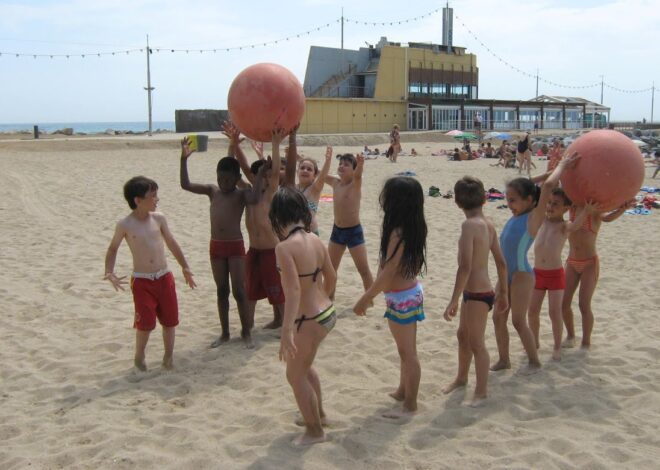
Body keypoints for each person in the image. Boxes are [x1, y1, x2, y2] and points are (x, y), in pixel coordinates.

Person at [104, 176, 196, 371]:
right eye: (152, 196)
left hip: (164, 277)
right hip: (142, 281)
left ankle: (168, 357)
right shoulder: (125, 225)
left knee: (170, 321)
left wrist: (185, 267)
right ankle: (139, 357)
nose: (157, 199)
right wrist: (109, 271)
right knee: (144, 324)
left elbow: (171, 242)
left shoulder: (159, 218)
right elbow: (113, 249)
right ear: (138, 200)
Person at [353, 176, 427, 418]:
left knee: (408, 353)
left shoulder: (398, 232)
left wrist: (366, 296)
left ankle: (410, 405)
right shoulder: (411, 226)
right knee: (405, 350)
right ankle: (403, 390)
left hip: (402, 297)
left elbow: (389, 270)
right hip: (407, 293)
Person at [270, 186, 336, 446]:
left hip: (308, 319)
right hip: (326, 312)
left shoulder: (284, 248)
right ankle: (318, 414)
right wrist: (322, 299)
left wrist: (287, 331)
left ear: (278, 216)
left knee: (294, 375)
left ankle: (314, 431)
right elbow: (332, 276)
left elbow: (293, 290)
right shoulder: (315, 239)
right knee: (305, 368)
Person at [180, 140, 257, 348]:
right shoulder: (212, 191)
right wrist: (183, 160)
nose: (223, 182)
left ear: (236, 179)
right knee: (222, 291)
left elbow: (256, 196)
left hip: (235, 246)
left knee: (239, 291)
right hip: (216, 247)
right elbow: (185, 185)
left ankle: (245, 331)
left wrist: (249, 173)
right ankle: (224, 333)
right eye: (220, 178)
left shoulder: (241, 194)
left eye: (228, 179)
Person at [442, 176, 508, 406]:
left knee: (477, 343)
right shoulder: (488, 223)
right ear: (484, 199)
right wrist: (504, 292)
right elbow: (501, 262)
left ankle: (481, 391)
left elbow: (465, 267)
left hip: (478, 293)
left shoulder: (470, 225)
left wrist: (453, 300)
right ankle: (461, 378)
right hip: (478, 292)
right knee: (463, 336)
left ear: (457, 202)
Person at [525, 153, 594, 361]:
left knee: (555, 313)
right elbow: (531, 186)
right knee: (532, 311)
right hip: (537, 273)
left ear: (567, 208)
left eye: (556, 204)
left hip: (555, 275)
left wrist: (587, 211)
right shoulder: (541, 220)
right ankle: (535, 341)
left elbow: (576, 225)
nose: (550, 206)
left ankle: (556, 346)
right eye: (549, 203)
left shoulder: (564, 226)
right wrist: (548, 173)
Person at [228, 124, 290, 330]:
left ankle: (284, 323)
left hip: (272, 250)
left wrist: (275, 144)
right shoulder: (247, 192)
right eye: (258, 176)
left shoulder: (271, 193)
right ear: (252, 178)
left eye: (265, 175)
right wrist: (234, 145)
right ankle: (249, 325)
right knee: (250, 289)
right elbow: (238, 170)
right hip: (253, 250)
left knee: (276, 291)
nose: (264, 178)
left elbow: (274, 171)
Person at [561, 197, 636, 348]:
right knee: (564, 303)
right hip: (572, 262)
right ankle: (570, 335)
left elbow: (607, 218)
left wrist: (622, 209)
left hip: (589, 263)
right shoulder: (573, 206)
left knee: (584, 304)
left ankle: (586, 341)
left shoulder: (594, 208)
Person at [491, 176, 543, 374]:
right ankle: (504, 360)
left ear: (529, 200)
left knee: (518, 321)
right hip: (505, 276)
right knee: (498, 318)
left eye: (513, 200)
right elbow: (530, 184)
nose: (508, 204)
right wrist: (538, 179)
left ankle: (534, 361)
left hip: (521, 275)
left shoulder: (533, 218)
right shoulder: (516, 215)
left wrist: (558, 170)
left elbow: (544, 189)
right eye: (507, 199)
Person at [325, 153, 373, 297]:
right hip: (337, 231)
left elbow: (358, 176)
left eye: (346, 164)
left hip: (354, 232)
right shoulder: (335, 183)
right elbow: (318, 174)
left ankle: (368, 300)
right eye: (340, 163)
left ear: (353, 169)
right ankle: (329, 298)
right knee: (331, 270)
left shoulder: (355, 184)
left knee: (363, 270)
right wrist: (297, 158)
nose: (341, 166)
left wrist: (360, 165)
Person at [297, 147, 332, 236]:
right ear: (297, 171)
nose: (305, 170)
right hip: (295, 232)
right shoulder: (293, 188)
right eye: (302, 168)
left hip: (310, 233)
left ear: (314, 175)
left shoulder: (314, 189)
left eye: (309, 169)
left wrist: (327, 161)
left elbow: (323, 176)